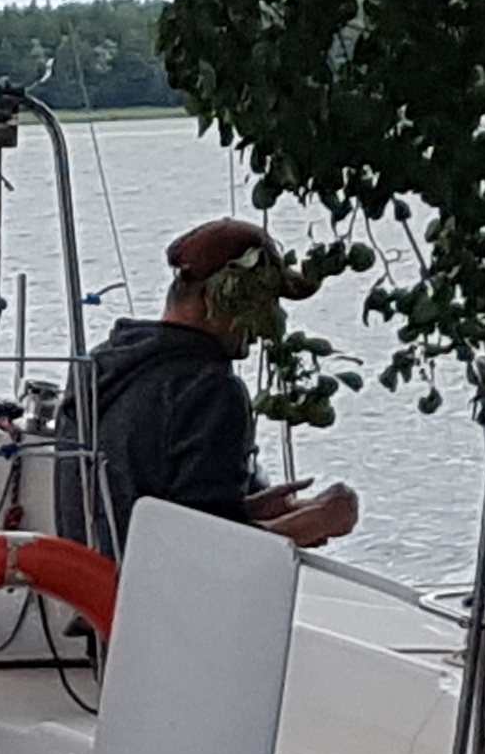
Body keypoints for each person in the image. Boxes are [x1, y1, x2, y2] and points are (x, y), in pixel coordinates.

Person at [80, 218, 361, 553]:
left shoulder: (103, 365)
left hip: (88, 573)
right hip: (150, 584)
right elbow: (211, 552)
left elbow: (158, 509)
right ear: (219, 297)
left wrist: (246, 510)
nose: (266, 327)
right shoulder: (209, 391)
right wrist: (316, 522)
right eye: (262, 302)